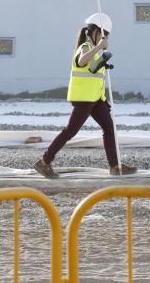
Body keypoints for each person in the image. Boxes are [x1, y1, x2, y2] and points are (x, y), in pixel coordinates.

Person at [34, 13, 137, 179]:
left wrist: (103, 61)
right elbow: (82, 61)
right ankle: (44, 162)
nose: (106, 38)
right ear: (94, 32)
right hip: (84, 99)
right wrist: (99, 48)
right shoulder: (86, 47)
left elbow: (93, 73)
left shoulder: (94, 51)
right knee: (70, 131)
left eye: (107, 36)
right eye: (104, 35)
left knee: (109, 129)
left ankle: (115, 166)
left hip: (95, 99)